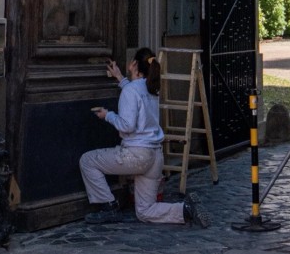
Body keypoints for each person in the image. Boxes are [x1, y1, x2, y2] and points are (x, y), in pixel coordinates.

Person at [80, 47, 209, 228]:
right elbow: (135, 94)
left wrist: (107, 115)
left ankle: (108, 206)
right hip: (155, 157)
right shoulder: (151, 88)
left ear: (134, 64)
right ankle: (185, 210)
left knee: (87, 161)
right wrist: (120, 77)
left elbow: (127, 125)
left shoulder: (132, 90)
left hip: (136, 155)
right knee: (145, 211)